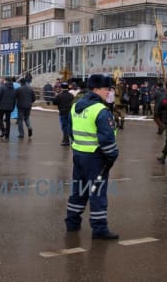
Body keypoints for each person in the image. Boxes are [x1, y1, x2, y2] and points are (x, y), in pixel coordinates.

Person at [65, 74, 119, 240]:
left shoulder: (76, 107)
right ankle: (99, 229)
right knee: (97, 193)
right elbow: (107, 139)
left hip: (79, 155)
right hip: (96, 159)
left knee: (79, 190)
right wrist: (111, 156)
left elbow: (70, 131)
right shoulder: (100, 110)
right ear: (96, 89)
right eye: (106, 89)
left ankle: (72, 222)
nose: (108, 92)